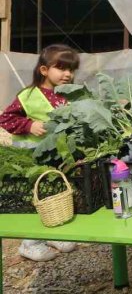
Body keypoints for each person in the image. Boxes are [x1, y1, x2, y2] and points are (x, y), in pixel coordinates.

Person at [0, 44, 81, 262]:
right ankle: (29, 242)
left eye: (71, 69)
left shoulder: (67, 96)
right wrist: (29, 125)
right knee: (33, 197)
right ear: (44, 70)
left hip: (56, 156)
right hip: (30, 155)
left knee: (54, 194)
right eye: (61, 68)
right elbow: (5, 119)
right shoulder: (28, 95)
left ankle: (51, 234)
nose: (67, 74)